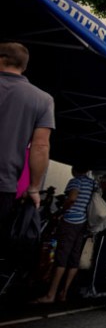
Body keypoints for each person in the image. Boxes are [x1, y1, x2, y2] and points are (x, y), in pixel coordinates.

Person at [0, 42, 55, 247]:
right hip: (4, 186)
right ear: (23, 66)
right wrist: (33, 187)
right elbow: (40, 147)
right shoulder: (42, 99)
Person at [35, 165, 94, 303]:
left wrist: (62, 210)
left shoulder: (76, 181)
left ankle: (51, 294)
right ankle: (64, 292)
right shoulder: (92, 183)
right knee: (74, 257)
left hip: (70, 221)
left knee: (62, 255)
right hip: (83, 222)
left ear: (74, 169)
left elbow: (72, 198)